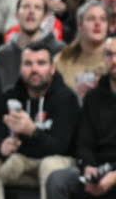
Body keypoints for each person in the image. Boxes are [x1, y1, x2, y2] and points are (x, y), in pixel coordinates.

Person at [0, 41, 78, 199]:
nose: (34, 69)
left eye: (41, 63)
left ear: (52, 68)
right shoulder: (10, 97)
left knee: (50, 165)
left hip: (56, 162)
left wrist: (32, 131)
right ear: (20, 68)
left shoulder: (66, 99)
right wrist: (1, 147)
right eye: (28, 64)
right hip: (21, 162)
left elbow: (62, 147)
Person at [45, 35, 116, 199]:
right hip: (99, 168)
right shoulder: (93, 97)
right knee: (58, 180)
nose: (114, 60)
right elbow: (84, 142)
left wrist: (113, 177)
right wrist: (88, 166)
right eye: (109, 54)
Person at [0, 0, 66, 91]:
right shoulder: (2, 54)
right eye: (26, 7)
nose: (31, 11)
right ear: (16, 15)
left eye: (37, 7)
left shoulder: (59, 50)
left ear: (44, 16)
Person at [54, 2, 109, 97]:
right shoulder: (62, 59)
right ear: (80, 25)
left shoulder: (113, 59)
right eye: (91, 19)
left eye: (103, 19)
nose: (97, 23)